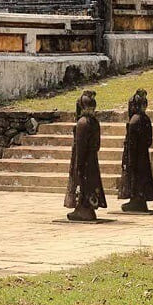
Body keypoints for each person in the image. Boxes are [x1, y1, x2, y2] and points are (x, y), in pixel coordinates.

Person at [64, 90, 106, 221]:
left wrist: (79, 164)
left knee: (82, 183)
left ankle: (83, 208)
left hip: (83, 159)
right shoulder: (94, 122)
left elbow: (81, 147)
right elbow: (97, 145)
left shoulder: (82, 123)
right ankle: (87, 208)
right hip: (92, 159)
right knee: (91, 183)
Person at [118, 89, 153, 212]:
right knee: (142, 176)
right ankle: (140, 199)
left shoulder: (134, 121)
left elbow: (131, 143)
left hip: (135, 155)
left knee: (135, 177)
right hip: (143, 155)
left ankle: (136, 199)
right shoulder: (145, 118)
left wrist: (129, 159)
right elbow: (149, 141)